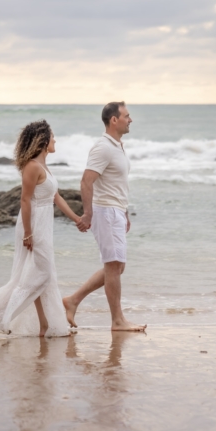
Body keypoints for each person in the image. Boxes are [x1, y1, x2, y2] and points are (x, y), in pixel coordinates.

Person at [0, 120, 81, 337]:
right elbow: (25, 201)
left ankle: (44, 324)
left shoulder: (45, 167)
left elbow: (56, 197)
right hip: (33, 225)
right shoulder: (31, 166)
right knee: (40, 273)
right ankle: (3, 316)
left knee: (40, 274)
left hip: (44, 225)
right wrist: (28, 232)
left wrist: (77, 218)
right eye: (52, 136)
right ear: (43, 140)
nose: (55, 140)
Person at [63, 102, 146, 332]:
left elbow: (116, 183)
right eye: (127, 116)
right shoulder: (103, 147)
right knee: (113, 267)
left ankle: (73, 300)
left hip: (116, 211)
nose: (130, 120)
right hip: (105, 212)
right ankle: (117, 321)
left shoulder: (117, 146)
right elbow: (86, 180)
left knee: (118, 267)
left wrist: (125, 211)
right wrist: (87, 214)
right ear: (114, 120)